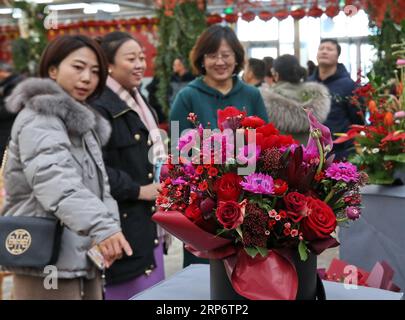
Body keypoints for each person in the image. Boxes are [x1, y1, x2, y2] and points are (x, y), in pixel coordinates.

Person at [1, 35, 131, 300]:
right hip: (46, 258)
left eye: (95, 72)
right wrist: (102, 227)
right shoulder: (41, 117)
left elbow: (101, 188)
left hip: (79, 252)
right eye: (78, 67)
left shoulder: (80, 123)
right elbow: (55, 180)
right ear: (52, 70)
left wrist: (107, 228)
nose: (87, 78)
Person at [170, 25, 268, 268]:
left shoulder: (252, 95)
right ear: (201, 59)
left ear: (237, 58)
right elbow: (177, 148)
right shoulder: (187, 96)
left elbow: (265, 141)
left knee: (248, 265)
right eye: (212, 55)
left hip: (248, 195)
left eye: (226, 55)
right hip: (203, 199)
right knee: (203, 269)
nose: (220, 61)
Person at [91, 31, 169, 300]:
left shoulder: (138, 99)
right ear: (109, 65)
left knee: (154, 288)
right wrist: (140, 190)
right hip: (121, 222)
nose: (139, 64)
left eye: (142, 57)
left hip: (148, 221)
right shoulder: (99, 107)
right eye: (131, 59)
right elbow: (93, 169)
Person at [308, 38, 363, 160]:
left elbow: (358, 120)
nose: (324, 52)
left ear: (337, 56)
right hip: (312, 150)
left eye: (329, 49)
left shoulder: (349, 85)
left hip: (341, 151)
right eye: (321, 49)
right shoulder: (308, 84)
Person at [260, 54, 330, 144]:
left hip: (279, 154)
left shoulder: (267, 99)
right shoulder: (315, 95)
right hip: (311, 155)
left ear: (276, 74)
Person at [0, 61, 24, 163]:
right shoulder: (9, 83)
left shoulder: (15, 84)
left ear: (2, 72)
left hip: (7, 129)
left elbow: (10, 108)